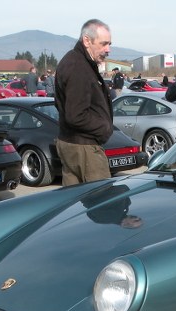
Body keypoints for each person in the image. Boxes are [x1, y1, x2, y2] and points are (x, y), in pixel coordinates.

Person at [54, 18, 114, 186]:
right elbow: (76, 115)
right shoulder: (78, 67)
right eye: (103, 44)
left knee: (74, 205)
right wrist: (104, 128)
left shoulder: (75, 61)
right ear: (87, 41)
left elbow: (60, 103)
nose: (108, 49)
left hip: (72, 143)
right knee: (103, 203)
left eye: (109, 44)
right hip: (84, 147)